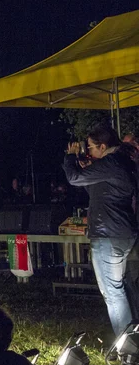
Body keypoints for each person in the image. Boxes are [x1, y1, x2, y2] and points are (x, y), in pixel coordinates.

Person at [63, 124, 138, 336]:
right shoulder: (120, 162)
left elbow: (74, 179)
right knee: (122, 287)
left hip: (109, 234)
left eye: (91, 147)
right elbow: (95, 189)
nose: (89, 151)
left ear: (103, 146)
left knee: (112, 292)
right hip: (120, 232)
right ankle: (132, 338)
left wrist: (70, 157)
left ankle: (128, 347)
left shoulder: (112, 163)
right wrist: (88, 168)